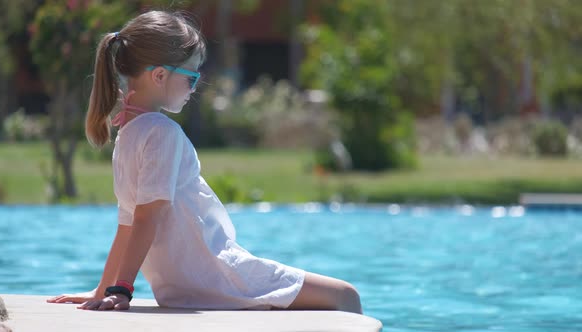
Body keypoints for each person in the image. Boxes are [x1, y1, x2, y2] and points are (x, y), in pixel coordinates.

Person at [46, 10, 362, 314]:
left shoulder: (127, 135)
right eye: (192, 76)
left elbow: (128, 224)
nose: (195, 87)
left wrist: (103, 288)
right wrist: (122, 290)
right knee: (346, 296)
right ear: (159, 75)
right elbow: (144, 219)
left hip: (178, 287)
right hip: (215, 275)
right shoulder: (161, 132)